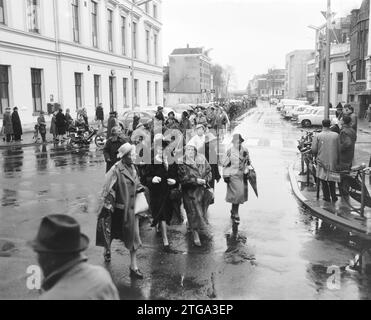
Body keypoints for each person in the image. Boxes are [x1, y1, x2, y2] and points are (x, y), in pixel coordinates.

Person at [30, 214, 119, 300]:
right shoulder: (102, 276)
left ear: (50, 257)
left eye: (39, 253)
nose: (37, 259)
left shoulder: (51, 297)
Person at [97, 143, 146, 279]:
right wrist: (108, 205)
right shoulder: (115, 169)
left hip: (131, 211)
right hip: (118, 210)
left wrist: (140, 188)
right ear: (125, 156)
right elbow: (107, 188)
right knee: (111, 233)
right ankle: (107, 250)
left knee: (133, 237)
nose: (135, 156)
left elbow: (136, 182)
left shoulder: (133, 167)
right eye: (132, 154)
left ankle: (133, 267)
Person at [143, 134, 180, 251]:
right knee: (162, 214)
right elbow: (144, 178)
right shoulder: (152, 162)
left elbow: (178, 176)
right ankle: (165, 240)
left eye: (162, 149)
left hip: (169, 194)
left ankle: (158, 224)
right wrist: (152, 179)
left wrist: (174, 181)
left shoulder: (172, 161)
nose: (160, 151)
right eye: (158, 149)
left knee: (166, 214)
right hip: (157, 193)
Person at [178, 144, 213, 247]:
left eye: (192, 149)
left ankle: (201, 228)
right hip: (189, 191)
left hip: (202, 191)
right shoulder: (181, 161)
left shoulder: (201, 158)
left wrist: (205, 180)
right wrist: (196, 180)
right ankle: (195, 234)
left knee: (201, 211)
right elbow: (182, 179)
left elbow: (209, 171)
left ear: (195, 150)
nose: (190, 151)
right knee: (192, 212)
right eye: (187, 149)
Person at [222, 134, 252, 226]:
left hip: (242, 175)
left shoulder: (245, 150)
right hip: (233, 175)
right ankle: (236, 213)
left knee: (238, 195)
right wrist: (225, 175)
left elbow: (248, 162)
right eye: (235, 142)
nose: (237, 144)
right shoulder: (229, 151)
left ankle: (233, 210)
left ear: (241, 142)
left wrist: (248, 168)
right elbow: (224, 164)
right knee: (237, 194)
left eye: (239, 142)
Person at [311, 119, 340, 203]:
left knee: (323, 179)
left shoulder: (318, 136)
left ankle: (326, 197)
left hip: (322, 160)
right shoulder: (336, 135)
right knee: (333, 179)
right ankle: (334, 196)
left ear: (322, 125)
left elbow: (314, 149)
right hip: (333, 160)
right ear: (330, 125)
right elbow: (339, 149)